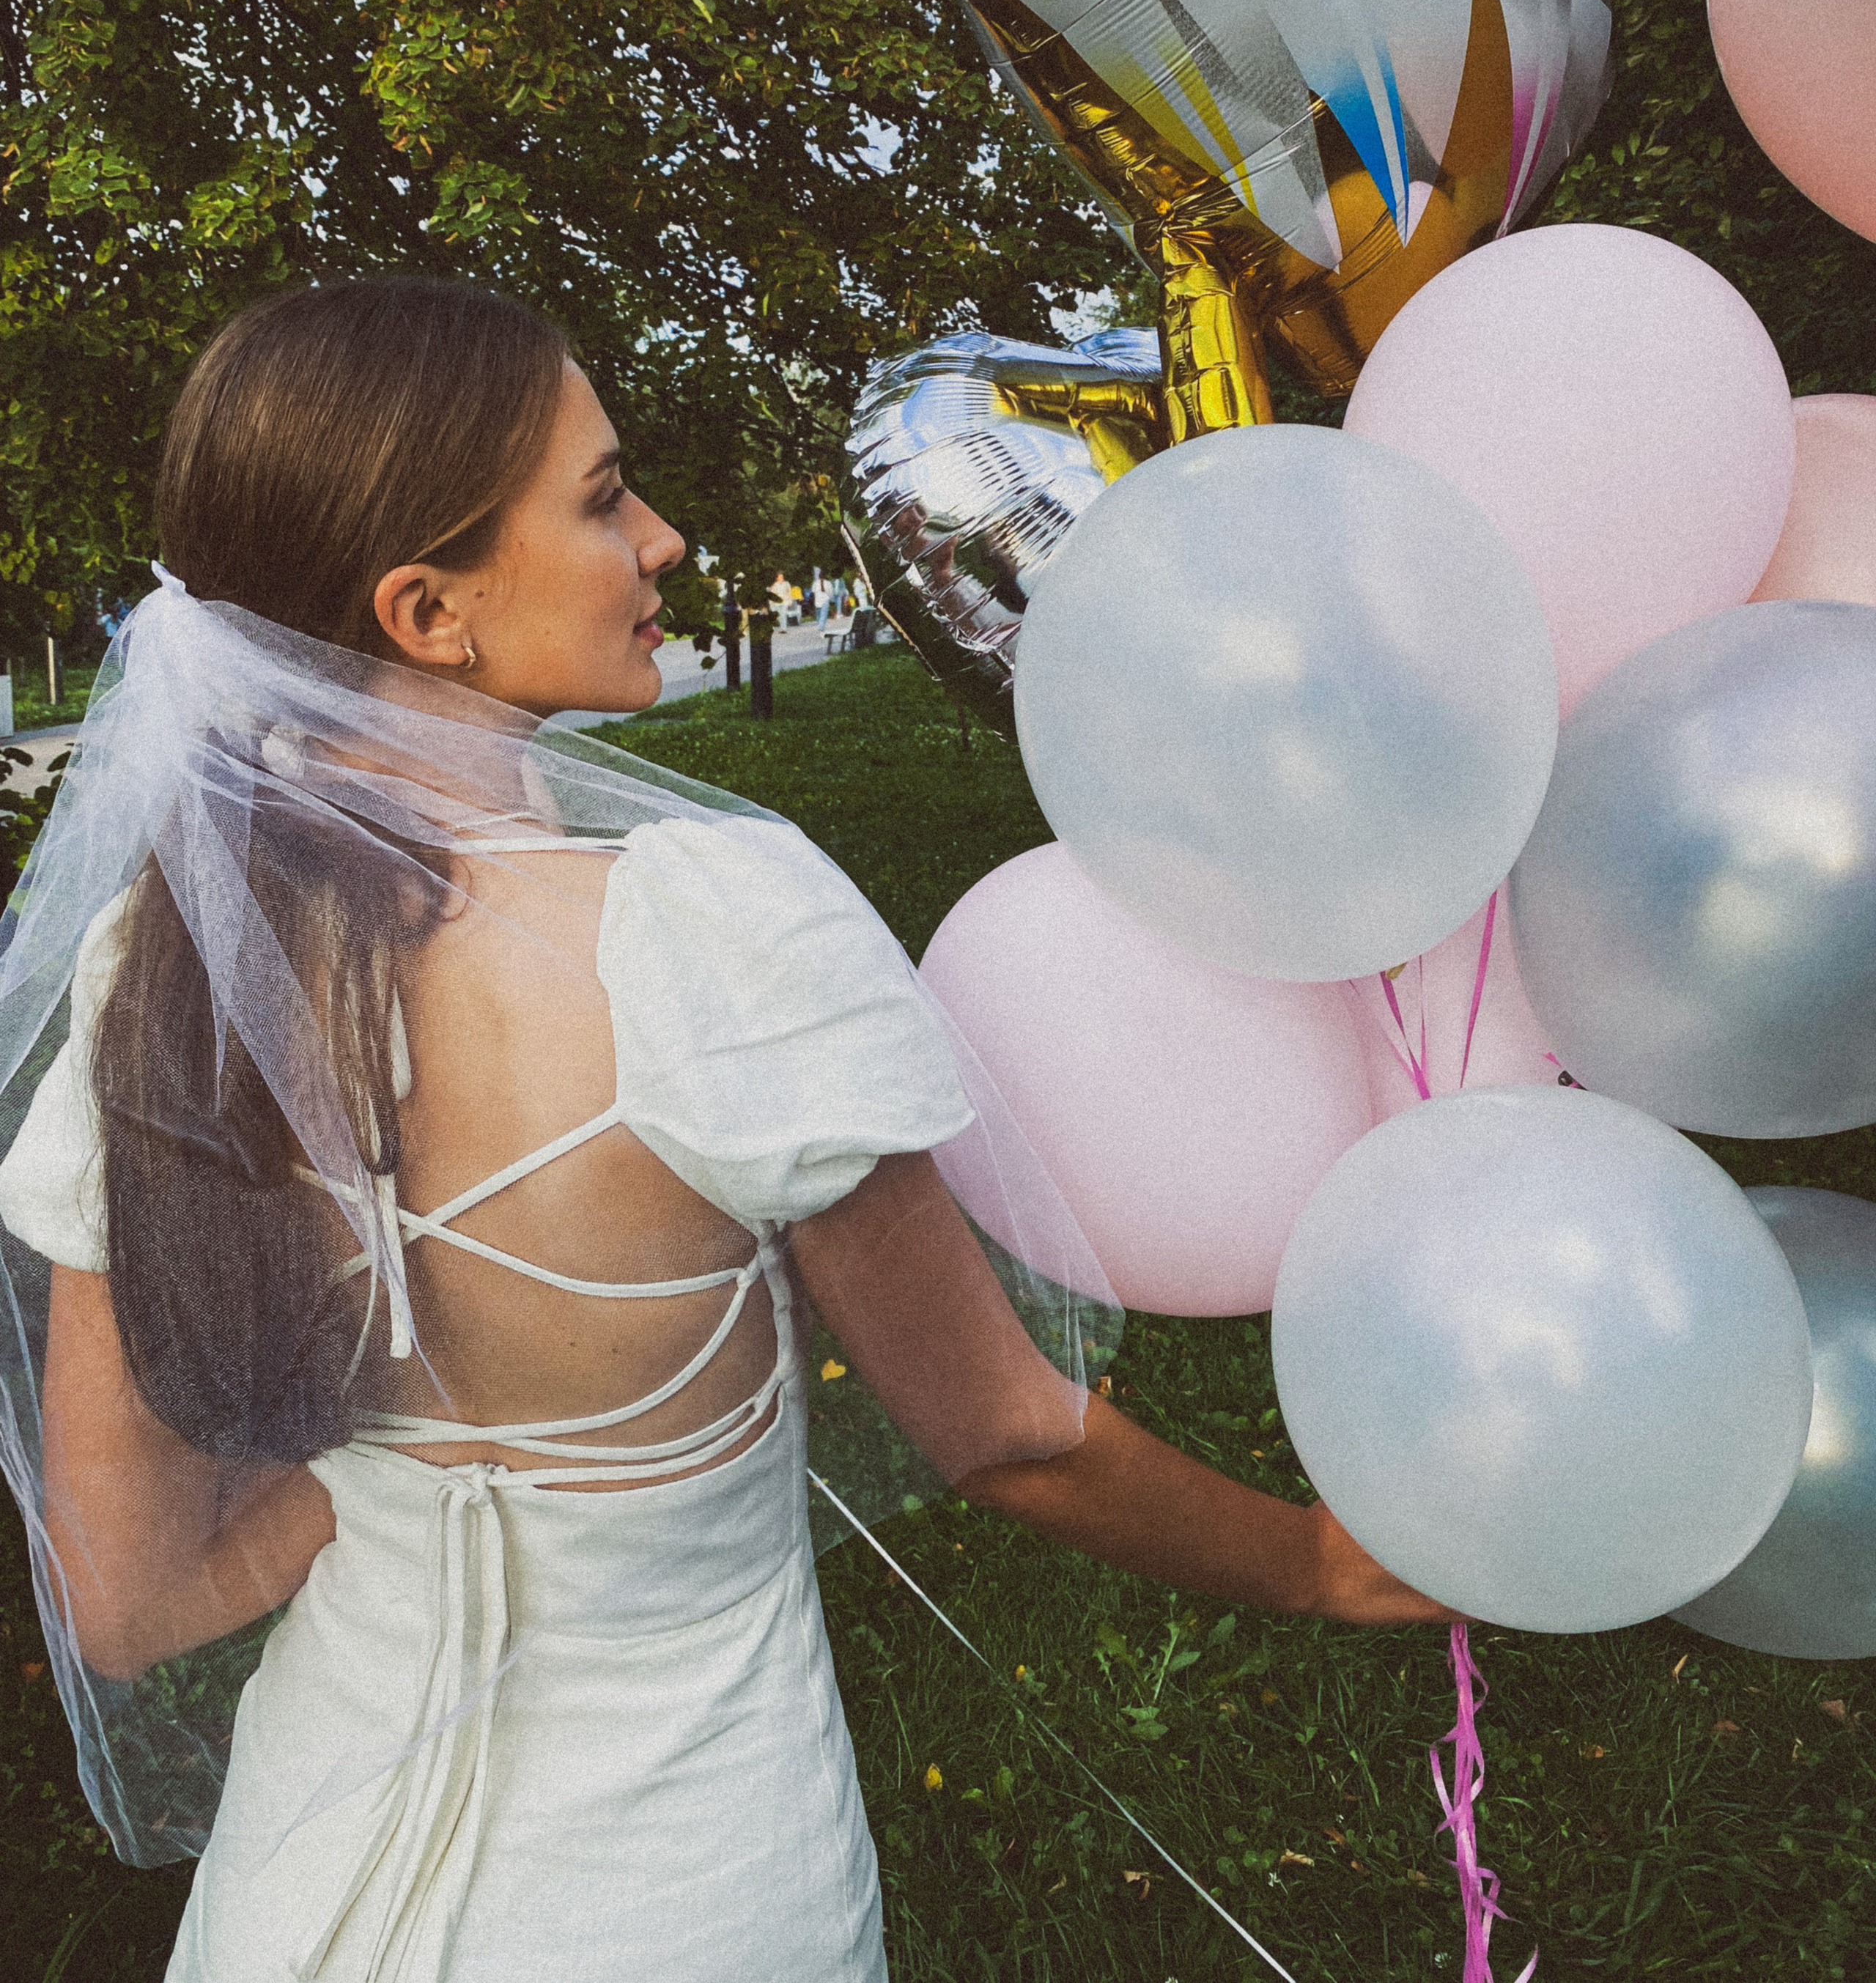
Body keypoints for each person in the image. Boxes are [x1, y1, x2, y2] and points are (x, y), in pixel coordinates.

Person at [0, 277, 1440, 1983]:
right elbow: (997, 1429)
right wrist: (1318, 1570)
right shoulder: (707, 923)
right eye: (604, 498)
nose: (666, 540)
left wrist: (381, 1498)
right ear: (427, 611)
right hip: (685, 1890)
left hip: (294, 1904)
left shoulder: (159, 969)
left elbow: (126, 1599)